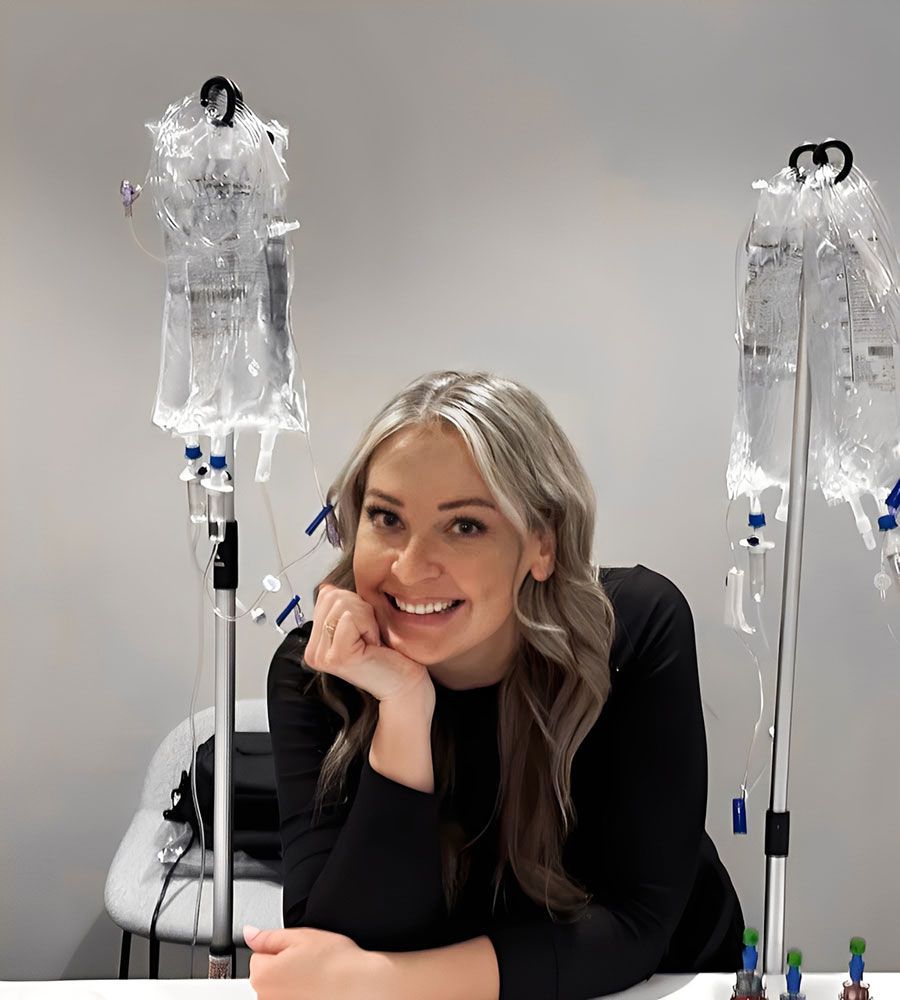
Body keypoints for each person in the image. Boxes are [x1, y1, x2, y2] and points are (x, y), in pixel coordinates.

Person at [252, 370, 744, 1000]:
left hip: (659, 986)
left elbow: (635, 927)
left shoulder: (634, 629)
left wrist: (386, 981)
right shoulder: (318, 674)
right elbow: (343, 942)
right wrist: (403, 710)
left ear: (542, 542)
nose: (409, 567)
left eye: (464, 526)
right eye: (387, 518)